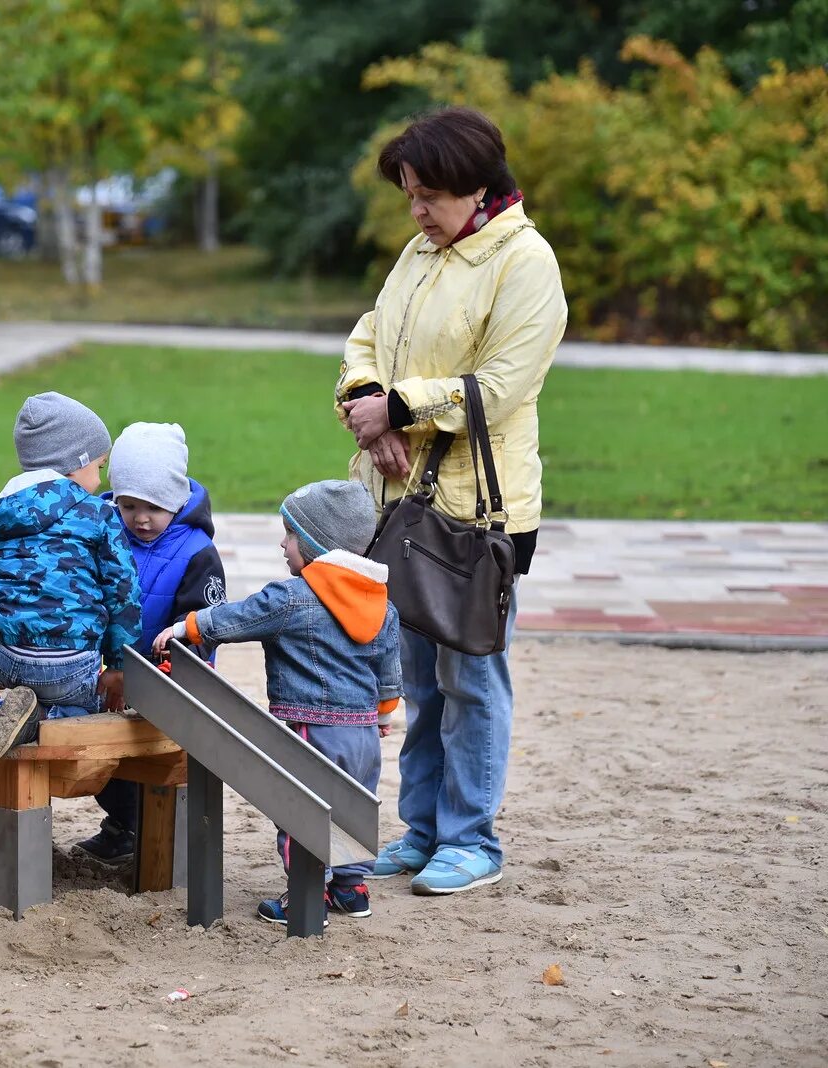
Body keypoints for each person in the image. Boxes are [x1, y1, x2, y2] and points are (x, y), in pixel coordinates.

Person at [335, 105, 566, 895]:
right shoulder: (421, 251)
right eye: (409, 193)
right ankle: (425, 828)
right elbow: (369, 335)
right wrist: (367, 400)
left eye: (428, 194)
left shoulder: (525, 263)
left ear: (476, 187)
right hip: (400, 502)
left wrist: (399, 408)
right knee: (419, 679)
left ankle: (472, 841)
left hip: (480, 511)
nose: (417, 210)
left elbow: (500, 389)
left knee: (473, 679)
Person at [156, 480, 399, 923]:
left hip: (312, 727)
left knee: (299, 806)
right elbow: (387, 668)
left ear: (313, 545)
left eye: (289, 536)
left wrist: (187, 627)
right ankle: (352, 888)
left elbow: (238, 617)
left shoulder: (292, 599)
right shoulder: (380, 603)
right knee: (353, 806)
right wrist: (382, 713)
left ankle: (307, 895)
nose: (283, 545)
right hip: (363, 732)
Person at [0, 391, 143, 770]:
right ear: (77, 462)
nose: (99, 478)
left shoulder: (0, 515)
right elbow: (123, 594)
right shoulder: (98, 515)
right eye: (99, 466)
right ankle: (42, 720)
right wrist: (120, 666)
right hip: (67, 666)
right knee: (92, 705)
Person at [76, 421, 226, 864]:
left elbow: (200, 628)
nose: (141, 518)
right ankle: (124, 824)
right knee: (99, 757)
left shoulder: (196, 551)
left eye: (154, 507)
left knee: (150, 760)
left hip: (169, 680)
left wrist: (150, 677)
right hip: (108, 676)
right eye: (128, 505)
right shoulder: (101, 532)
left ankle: (141, 827)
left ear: (177, 498)